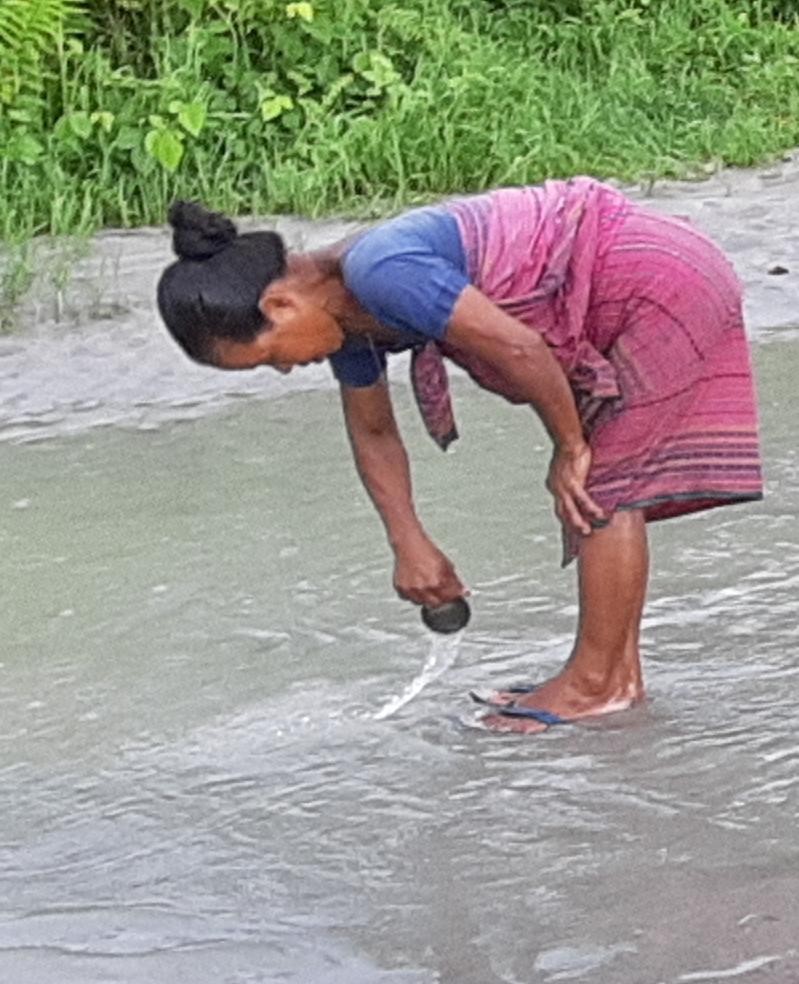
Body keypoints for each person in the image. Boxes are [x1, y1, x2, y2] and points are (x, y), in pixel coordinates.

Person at [152, 185, 767, 729]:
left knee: (599, 482)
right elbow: (374, 433)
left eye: (272, 357)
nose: (289, 367)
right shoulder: (344, 313)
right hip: (630, 284)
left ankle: (597, 683)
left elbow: (521, 348)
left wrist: (570, 446)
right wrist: (408, 541)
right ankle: (612, 674)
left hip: (653, 278)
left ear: (281, 307)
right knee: (603, 484)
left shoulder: (380, 270)